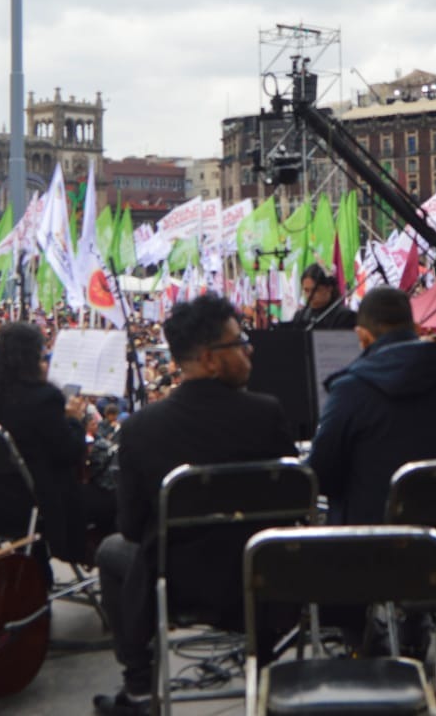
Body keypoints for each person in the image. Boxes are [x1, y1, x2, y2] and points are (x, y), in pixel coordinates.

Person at [93, 296, 295, 716]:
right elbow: (294, 505)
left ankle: (139, 685)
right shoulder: (267, 413)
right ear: (210, 359)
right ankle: (269, 659)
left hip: (180, 584)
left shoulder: (142, 429)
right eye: (240, 342)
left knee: (111, 550)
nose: (249, 350)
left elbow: (131, 527)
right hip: (266, 583)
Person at [309, 287, 436, 595]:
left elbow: (321, 475)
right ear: (415, 330)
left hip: (377, 558)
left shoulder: (350, 391)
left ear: (362, 337)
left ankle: (363, 641)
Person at [0, 322, 109, 569]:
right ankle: (90, 556)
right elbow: (68, 451)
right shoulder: (43, 398)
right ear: (32, 359)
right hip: (34, 500)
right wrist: (73, 420)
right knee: (111, 501)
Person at [291, 264, 357, 330]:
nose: (309, 295)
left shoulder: (345, 317)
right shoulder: (299, 316)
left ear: (329, 288)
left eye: (315, 290)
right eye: (306, 290)